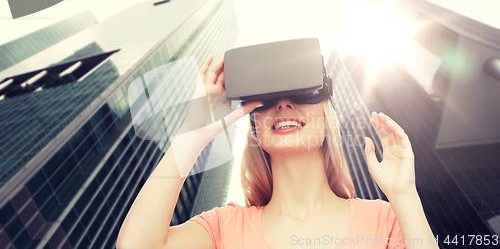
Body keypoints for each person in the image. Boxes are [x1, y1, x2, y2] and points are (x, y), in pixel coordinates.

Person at [116, 53, 439, 249]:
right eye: (267, 100)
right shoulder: (224, 227)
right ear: (253, 125)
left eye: (303, 93)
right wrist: (191, 136)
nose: (284, 104)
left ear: (326, 118)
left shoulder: (385, 218)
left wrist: (404, 194)